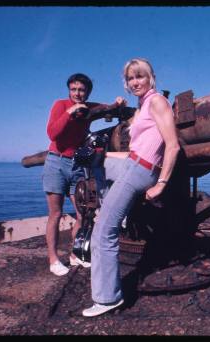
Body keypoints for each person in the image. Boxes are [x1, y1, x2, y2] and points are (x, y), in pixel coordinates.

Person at [82, 58, 180, 317]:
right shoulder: (143, 103)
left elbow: (173, 145)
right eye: (131, 78)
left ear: (150, 78)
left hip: (141, 171)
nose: (135, 82)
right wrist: (101, 155)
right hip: (132, 163)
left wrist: (161, 183)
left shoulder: (158, 101)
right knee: (94, 161)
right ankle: (111, 208)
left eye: (140, 76)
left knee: (102, 233)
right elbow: (136, 150)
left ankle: (107, 299)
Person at [42, 73, 125, 276]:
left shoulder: (88, 107)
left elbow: (105, 108)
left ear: (87, 92)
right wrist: (70, 111)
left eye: (81, 90)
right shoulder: (61, 105)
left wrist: (117, 103)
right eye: (73, 89)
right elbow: (52, 133)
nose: (77, 93)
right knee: (55, 213)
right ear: (69, 90)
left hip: (77, 164)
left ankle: (75, 254)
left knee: (82, 213)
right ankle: (53, 259)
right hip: (56, 162)